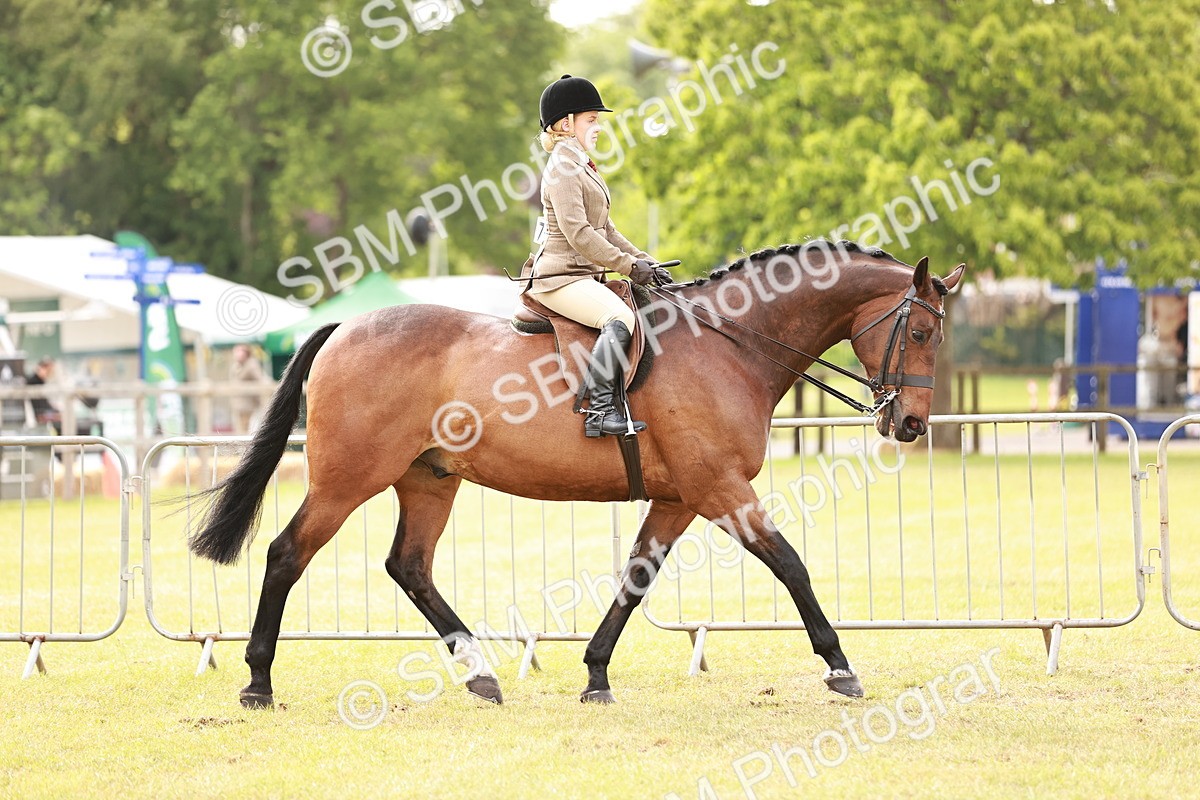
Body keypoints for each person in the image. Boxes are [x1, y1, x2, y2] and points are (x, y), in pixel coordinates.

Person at [525, 74, 671, 437]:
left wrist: (644, 260)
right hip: (559, 278)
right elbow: (579, 234)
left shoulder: (581, 165)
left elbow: (606, 229)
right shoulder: (562, 168)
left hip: (581, 275)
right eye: (592, 119)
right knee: (619, 317)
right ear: (565, 124)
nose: (599, 126)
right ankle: (600, 410)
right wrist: (627, 267)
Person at [230, 344, 266, 433]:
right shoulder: (236, 366)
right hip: (238, 404)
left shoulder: (251, 364)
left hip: (249, 405)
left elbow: (261, 379)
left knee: (248, 430)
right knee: (240, 430)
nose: (238, 354)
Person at [25, 357, 61, 432]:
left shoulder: (40, 382)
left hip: (44, 412)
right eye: (47, 370)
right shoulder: (33, 382)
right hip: (40, 414)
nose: (49, 373)